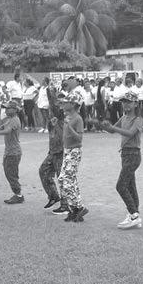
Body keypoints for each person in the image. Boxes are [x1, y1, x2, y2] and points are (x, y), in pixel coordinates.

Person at [100, 91, 143, 230]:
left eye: (129, 102)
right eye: (124, 102)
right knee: (130, 186)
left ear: (135, 104)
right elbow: (112, 130)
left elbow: (130, 133)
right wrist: (105, 125)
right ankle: (134, 214)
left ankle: (134, 215)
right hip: (125, 155)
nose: (125, 104)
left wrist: (112, 127)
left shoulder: (138, 119)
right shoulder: (124, 117)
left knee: (121, 186)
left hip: (133, 155)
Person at [58, 92, 89, 223]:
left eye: (66, 102)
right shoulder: (68, 117)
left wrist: (69, 126)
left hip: (74, 151)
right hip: (67, 150)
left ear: (73, 104)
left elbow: (79, 138)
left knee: (67, 179)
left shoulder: (77, 118)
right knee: (63, 179)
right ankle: (74, 208)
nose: (63, 104)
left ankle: (79, 207)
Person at [39, 93, 67, 213]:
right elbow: (51, 130)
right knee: (43, 171)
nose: (59, 106)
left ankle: (65, 205)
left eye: (61, 103)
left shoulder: (66, 118)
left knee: (62, 178)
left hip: (62, 152)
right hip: (53, 151)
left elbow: (54, 105)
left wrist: (51, 94)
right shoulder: (54, 119)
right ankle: (54, 196)